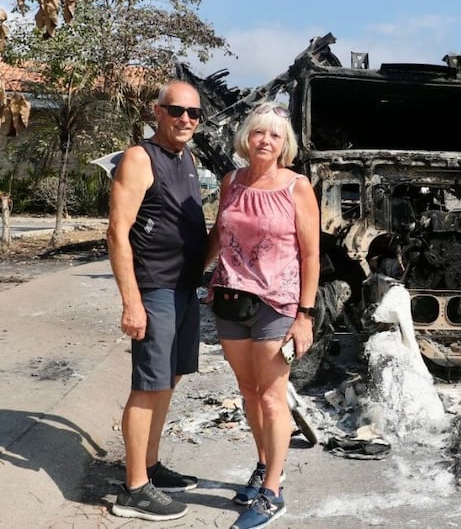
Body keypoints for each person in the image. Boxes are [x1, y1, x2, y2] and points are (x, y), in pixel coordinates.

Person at [205, 101, 320, 529]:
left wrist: (304, 315)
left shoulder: (297, 187)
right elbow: (219, 233)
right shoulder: (231, 181)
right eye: (258, 132)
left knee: (272, 396)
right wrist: (190, 272)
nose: (265, 140)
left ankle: (273, 492)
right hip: (231, 299)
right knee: (249, 391)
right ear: (245, 138)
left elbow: (311, 253)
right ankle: (265, 465)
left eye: (274, 135)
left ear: (284, 144)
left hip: (277, 302)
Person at [107, 81, 208, 521]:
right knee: (148, 386)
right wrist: (132, 301)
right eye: (176, 110)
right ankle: (133, 489)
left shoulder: (186, 157)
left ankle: (148, 466)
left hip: (185, 289)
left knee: (170, 380)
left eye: (194, 113)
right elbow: (117, 233)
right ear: (157, 111)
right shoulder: (138, 158)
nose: (186, 118)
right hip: (155, 290)